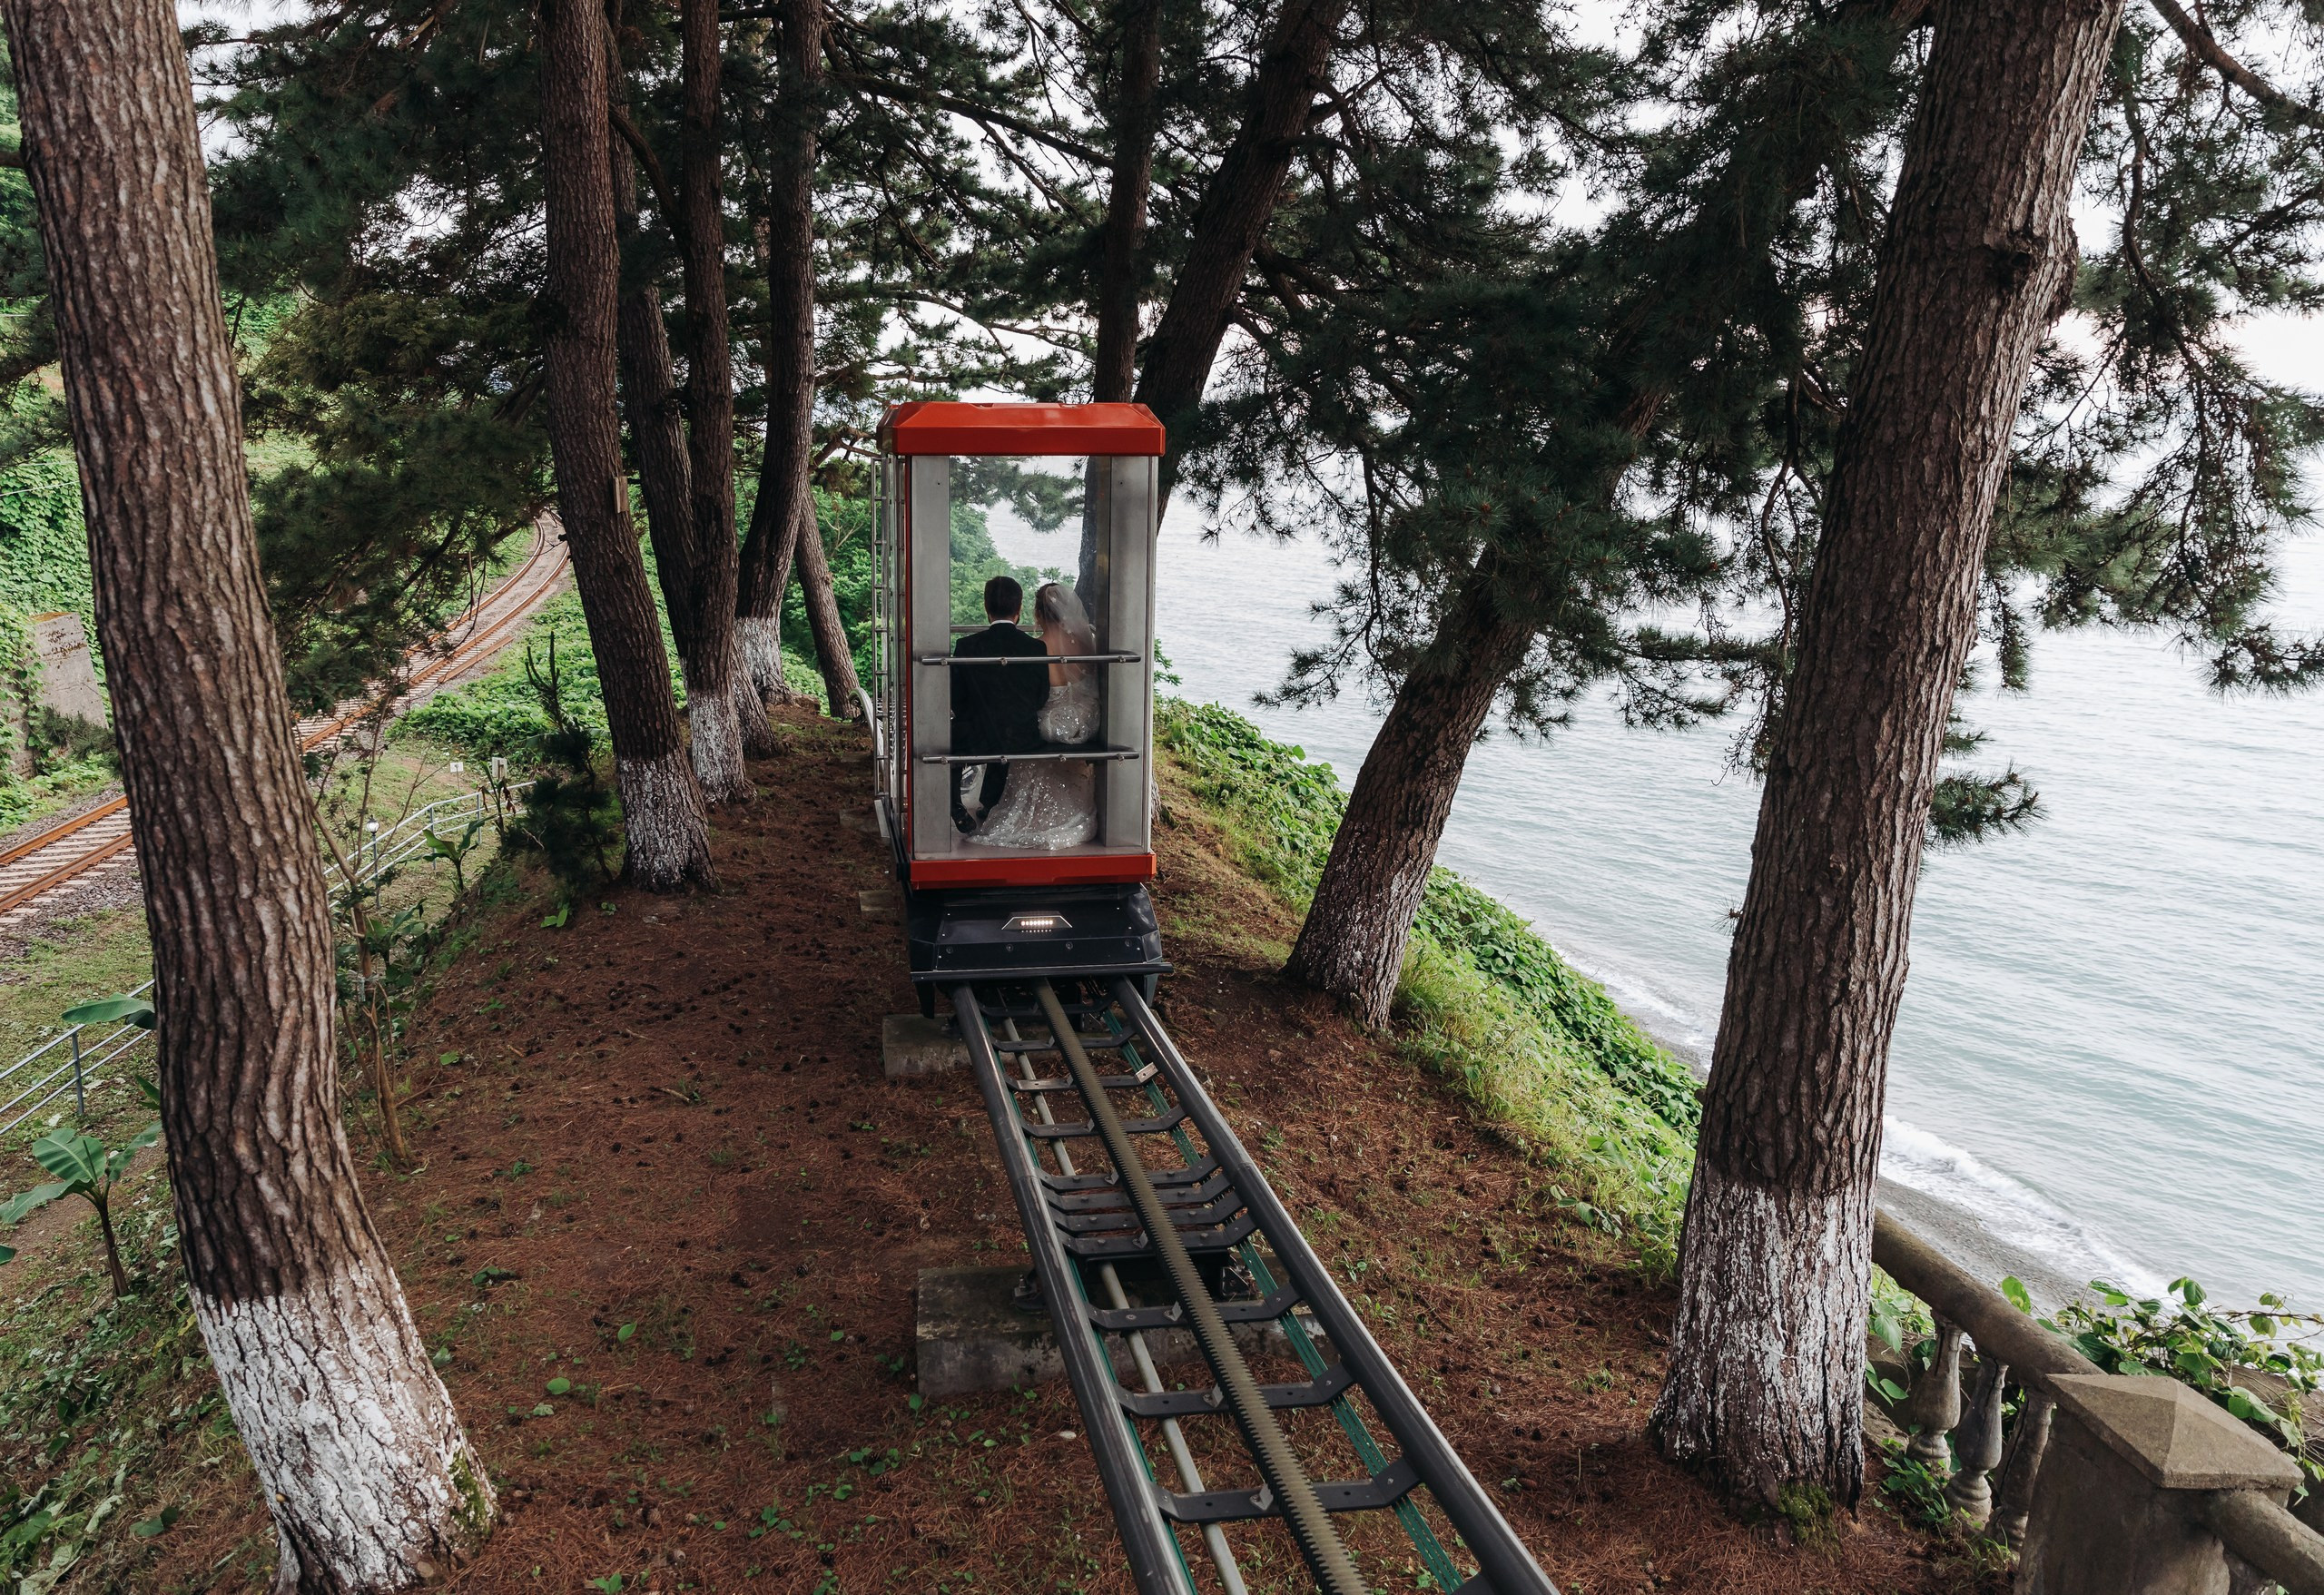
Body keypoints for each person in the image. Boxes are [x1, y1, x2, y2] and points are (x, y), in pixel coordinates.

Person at [974, 582, 1100, 849]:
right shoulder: (1087, 644)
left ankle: (1001, 800)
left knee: (1022, 723)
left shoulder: (1035, 648)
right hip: (1086, 721)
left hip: (1053, 725)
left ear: (1037, 614)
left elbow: (1035, 698)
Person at [950, 575, 1048, 834]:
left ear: (986, 607)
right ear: (1019, 609)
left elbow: (956, 697)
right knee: (1005, 722)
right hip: (1021, 736)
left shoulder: (965, 646)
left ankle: (955, 804)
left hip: (975, 735)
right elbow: (1041, 697)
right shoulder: (1036, 649)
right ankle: (992, 802)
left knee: (956, 731)